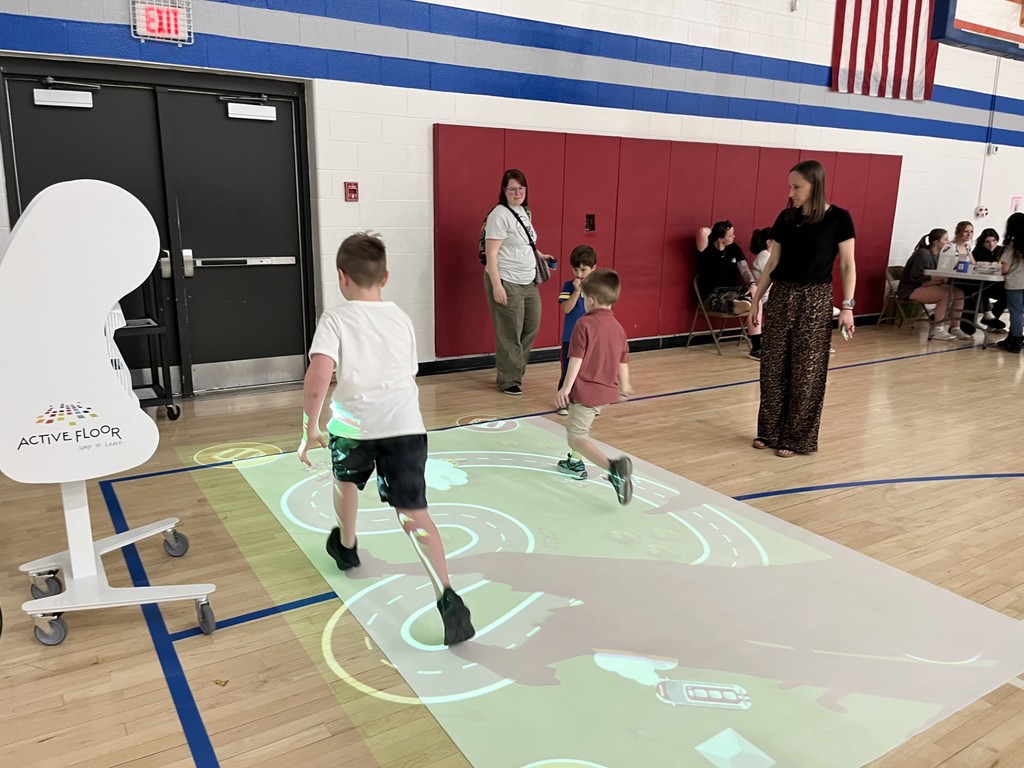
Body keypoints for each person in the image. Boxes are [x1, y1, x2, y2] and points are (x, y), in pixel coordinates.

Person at [298, 232, 475, 646]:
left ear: (341, 277)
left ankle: (346, 545)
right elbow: (408, 372)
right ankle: (446, 594)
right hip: (406, 427)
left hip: (354, 428)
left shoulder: (336, 318)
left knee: (345, 483)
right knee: (413, 512)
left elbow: (319, 376)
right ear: (386, 277)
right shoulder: (401, 318)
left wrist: (309, 427)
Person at [749, 159, 856, 458]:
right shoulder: (786, 217)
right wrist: (757, 299)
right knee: (772, 368)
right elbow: (772, 262)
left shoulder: (840, 219)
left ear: (815, 185)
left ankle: (797, 438)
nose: (791, 191)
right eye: (790, 186)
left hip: (815, 298)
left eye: (797, 186)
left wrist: (847, 306)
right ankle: (769, 430)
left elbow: (848, 264)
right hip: (782, 295)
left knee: (807, 372)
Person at [554, 268, 635, 505]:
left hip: (586, 392)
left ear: (590, 299)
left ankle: (613, 468)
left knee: (576, 437)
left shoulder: (584, 323)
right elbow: (623, 360)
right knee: (583, 431)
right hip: (606, 393)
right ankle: (574, 462)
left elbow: (576, 359)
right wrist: (626, 385)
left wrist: (565, 388)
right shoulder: (618, 327)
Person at [483, 169, 554, 396]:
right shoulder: (499, 215)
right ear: (504, 191)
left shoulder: (523, 211)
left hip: (528, 280)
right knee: (509, 333)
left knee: (530, 327)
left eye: (521, 188)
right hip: (507, 279)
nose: (517, 192)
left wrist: (540, 256)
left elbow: (525, 243)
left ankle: (515, 371)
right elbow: (491, 254)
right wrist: (497, 285)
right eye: (512, 189)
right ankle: (508, 379)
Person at [897, 229, 970, 342]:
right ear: (936, 242)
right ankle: (938, 329)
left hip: (926, 285)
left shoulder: (939, 255)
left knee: (958, 293)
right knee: (946, 295)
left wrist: (936, 281)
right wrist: (934, 281)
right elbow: (916, 277)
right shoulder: (923, 253)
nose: (948, 242)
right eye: (945, 240)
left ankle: (955, 327)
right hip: (911, 288)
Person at [556, 245, 597, 416]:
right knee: (567, 370)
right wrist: (576, 291)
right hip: (570, 337)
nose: (579, 274)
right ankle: (563, 401)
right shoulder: (568, 285)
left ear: (593, 268)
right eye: (575, 269)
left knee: (589, 371)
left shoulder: (598, 287)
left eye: (583, 270)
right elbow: (566, 308)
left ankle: (589, 402)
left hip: (592, 338)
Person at [696, 221, 755, 316]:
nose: (734, 237)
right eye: (730, 235)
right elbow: (702, 231)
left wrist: (752, 284)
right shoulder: (706, 249)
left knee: (757, 289)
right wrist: (715, 230)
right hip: (711, 294)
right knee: (728, 304)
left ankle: (745, 302)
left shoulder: (734, 248)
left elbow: (744, 269)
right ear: (720, 239)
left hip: (732, 291)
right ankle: (740, 305)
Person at [745, 227, 774, 361]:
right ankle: (757, 347)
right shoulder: (765, 256)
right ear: (769, 242)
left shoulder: (769, 256)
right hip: (764, 297)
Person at [997, 213, 1024, 353]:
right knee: (1021, 312)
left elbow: (1005, 268)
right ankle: (1013, 336)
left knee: (1016, 312)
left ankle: (1016, 340)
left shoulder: (1012, 246)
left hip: (1015, 283)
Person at [973, 227, 1008, 330]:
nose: (991, 244)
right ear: (982, 242)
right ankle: (988, 317)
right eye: (987, 242)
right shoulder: (977, 251)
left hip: (996, 283)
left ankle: (991, 320)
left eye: (994, 241)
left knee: (1007, 294)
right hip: (982, 285)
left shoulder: (1000, 250)